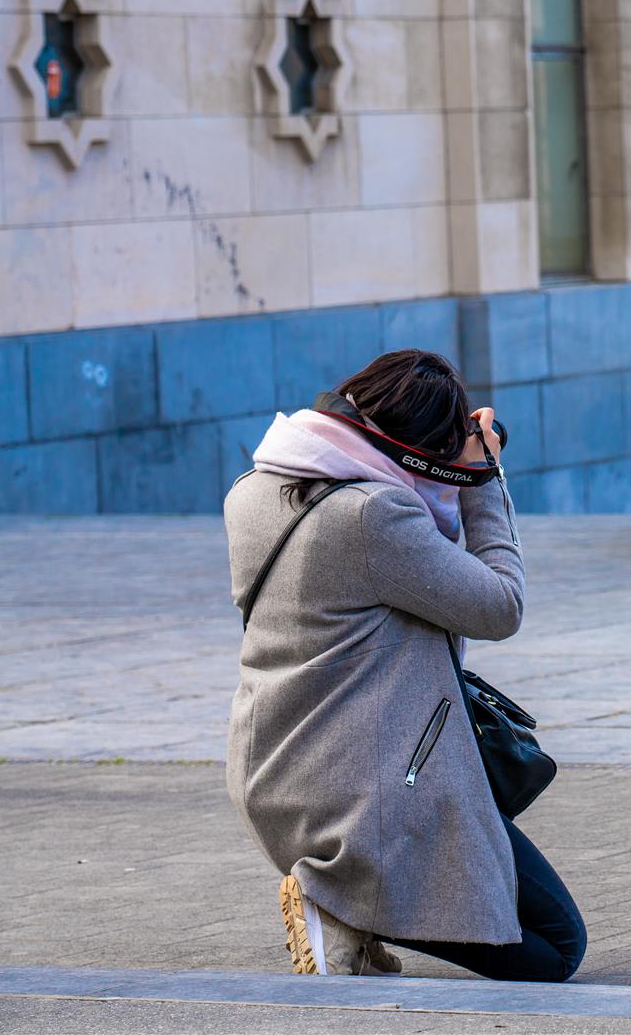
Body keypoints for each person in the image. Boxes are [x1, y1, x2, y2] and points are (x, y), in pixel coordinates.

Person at [223, 349, 586, 980]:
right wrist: (483, 482)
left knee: (536, 922)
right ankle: (337, 903)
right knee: (555, 949)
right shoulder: (372, 515)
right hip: (372, 789)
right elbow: (500, 606)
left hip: (278, 766)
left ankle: (354, 910)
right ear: (420, 446)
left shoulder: (255, 488)